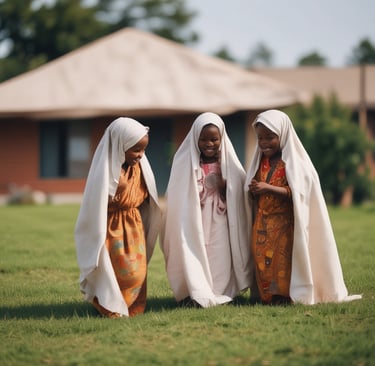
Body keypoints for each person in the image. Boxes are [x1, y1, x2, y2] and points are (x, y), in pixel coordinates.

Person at [245, 109, 361, 305]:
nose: (264, 142)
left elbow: (298, 193)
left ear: (282, 135)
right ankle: (268, 295)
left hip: (285, 225)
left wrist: (268, 188)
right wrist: (254, 189)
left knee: (282, 261)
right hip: (263, 223)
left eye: (270, 137)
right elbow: (254, 186)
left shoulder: (295, 163)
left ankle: (283, 295)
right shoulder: (260, 162)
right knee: (264, 260)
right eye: (260, 138)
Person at [161, 112, 251, 308]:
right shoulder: (185, 161)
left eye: (214, 139)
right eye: (203, 139)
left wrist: (223, 184)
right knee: (196, 252)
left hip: (219, 217)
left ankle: (219, 292)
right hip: (195, 217)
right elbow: (179, 192)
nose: (209, 144)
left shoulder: (228, 163)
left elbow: (238, 193)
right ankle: (197, 291)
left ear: (221, 139)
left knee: (219, 255)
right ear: (195, 139)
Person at [75, 117, 161, 317]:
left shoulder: (138, 167)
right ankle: (110, 306)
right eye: (135, 150)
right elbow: (96, 202)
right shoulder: (105, 171)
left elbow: (146, 193)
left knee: (137, 271)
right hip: (112, 227)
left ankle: (132, 306)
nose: (140, 155)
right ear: (119, 146)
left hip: (134, 225)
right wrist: (116, 189)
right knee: (118, 271)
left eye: (143, 150)